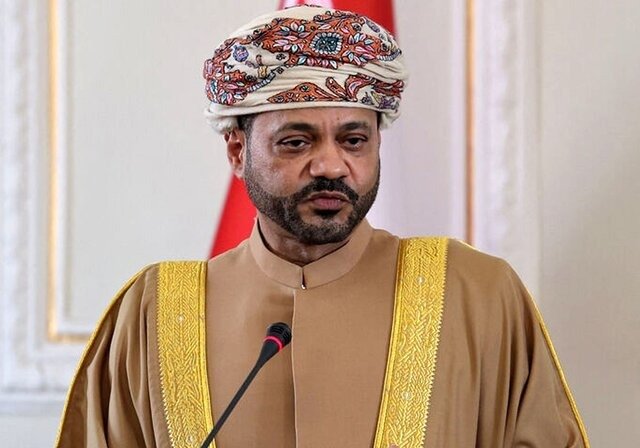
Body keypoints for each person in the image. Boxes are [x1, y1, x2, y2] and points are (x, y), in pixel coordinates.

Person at [56, 5, 589, 447]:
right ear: (237, 151)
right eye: (296, 142)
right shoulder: (153, 312)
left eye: (354, 141)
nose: (332, 165)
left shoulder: (477, 294)